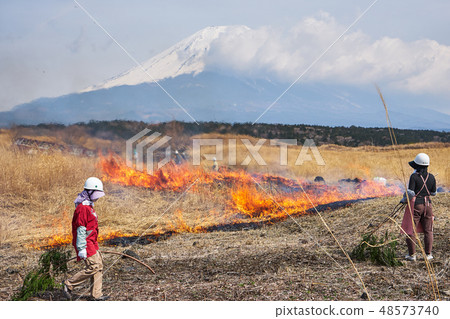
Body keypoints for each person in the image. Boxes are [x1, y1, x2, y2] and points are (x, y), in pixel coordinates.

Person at [62, 177, 110, 300]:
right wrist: (81, 248)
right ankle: (69, 284)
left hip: (93, 242)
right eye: (96, 194)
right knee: (93, 266)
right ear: (89, 192)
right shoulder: (83, 208)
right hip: (86, 242)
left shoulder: (89, 207)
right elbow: (80, 229)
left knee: (99, 266)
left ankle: (96, 295)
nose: (98, 197)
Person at [400, 153, 437, 261]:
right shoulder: (432, 177)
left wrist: (403, 200)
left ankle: (412, 255)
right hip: (428, 205)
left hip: (417, 205)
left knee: (411, 229)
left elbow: (411, 193)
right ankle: (428, 255)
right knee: (428, 230)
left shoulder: (414, 176)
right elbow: (433, 193)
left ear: (418, 166)